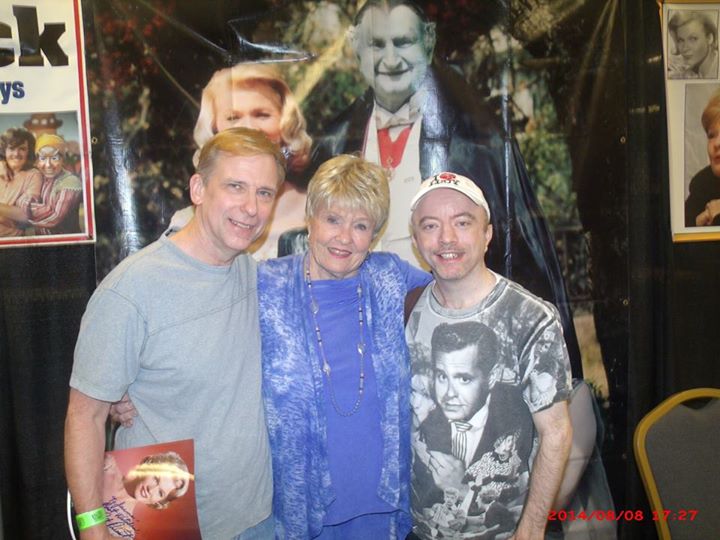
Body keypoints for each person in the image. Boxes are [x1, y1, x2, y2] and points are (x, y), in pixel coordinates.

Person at [308, 0, 582, 377]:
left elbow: (520, 248)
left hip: (456, 343)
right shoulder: (334, 140)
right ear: (356, 47)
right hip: (355, 344)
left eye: (403, 42)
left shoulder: (478, 138)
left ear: (429, 41)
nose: (390, 59)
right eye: (376, 44)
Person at [64, 128, 283, 540]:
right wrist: (92, 528)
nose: (251, 208)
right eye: (235, 186)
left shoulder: (256, 275)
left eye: (264, 193)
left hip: (256, 519)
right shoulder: (130, 290)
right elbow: (84, 416)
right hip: (161, 523)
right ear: (198, 189)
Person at [258, 154, 431, 538]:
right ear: (310, 219)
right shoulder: (266, 286)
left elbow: (463, 297)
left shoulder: (390, 276)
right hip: (301, 509)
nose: (344, 237)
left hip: (381, 505)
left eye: (361, 225)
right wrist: (134, 388)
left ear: (375, 234)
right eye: (333, 219)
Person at [406, 172, 573, 539]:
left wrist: (531, 530)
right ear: (416, 240)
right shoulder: (407, 311)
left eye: (462, 222)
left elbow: (557, 432)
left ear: (487, 234)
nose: (446, 238)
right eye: (430, 225)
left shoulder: (531, 318)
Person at [180, 63, 312, 259]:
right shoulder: (185, 223)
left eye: (262, 115)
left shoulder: (317, 213)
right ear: (214, 128)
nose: (249, 127)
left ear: (286, 123)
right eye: (233, 117)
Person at [0, 133, 83, 235]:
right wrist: (3, 163)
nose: (48, 165)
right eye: (43, 158)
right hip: (41, 239)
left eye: (54, 158)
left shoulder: (70, 182)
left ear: (63, 160)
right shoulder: (41, 176)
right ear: (37, 161)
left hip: (66, 242)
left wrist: (19, 207)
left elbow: (53, 217)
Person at [102, 451, 191, 538]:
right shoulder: (108, 466)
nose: (151, 490)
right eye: (156, 479)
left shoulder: (125, 532)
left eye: (160, 493)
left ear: (158, 502)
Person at [686, 90, 720, 227]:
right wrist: (697, 225)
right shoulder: (700, 187)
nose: (717, 143)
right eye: (711, 135)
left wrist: (717, 217)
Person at [0, 128, 41, 237]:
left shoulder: (33, 175)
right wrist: (8, 214)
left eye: (22, 149)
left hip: (11, 240)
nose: (16, 153)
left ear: (29, 151)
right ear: (4, 151)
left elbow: (26, 215)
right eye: (11, 148)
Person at [668, 11, 719, 80]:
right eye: (681, 40)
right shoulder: (688, 73)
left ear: (710, 38)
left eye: (693, 39)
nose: (685, 48)